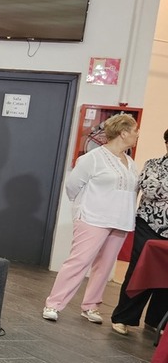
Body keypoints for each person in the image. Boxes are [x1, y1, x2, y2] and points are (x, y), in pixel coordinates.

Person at [43, 113, 139, 323]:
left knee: (104, 267)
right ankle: (54, 304)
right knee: (78, 262)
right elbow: (72, 187)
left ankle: (91, 306)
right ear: (123, 133)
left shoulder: (130, 162)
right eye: (134, 130)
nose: (137, 134)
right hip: (93, 218)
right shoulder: (92, 159)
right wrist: (84, 208)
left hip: (120, 221)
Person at [111, 128, 168, 334]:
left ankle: (156, 321)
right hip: (149, 226)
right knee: (139, 271)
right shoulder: (153, 164)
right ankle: (123, 318)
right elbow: (152, 190)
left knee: (167, 276)